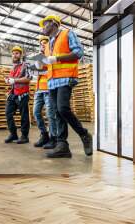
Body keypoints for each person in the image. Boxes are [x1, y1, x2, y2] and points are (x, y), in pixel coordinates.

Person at [34, 15, 93, 158]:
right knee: (56, 112)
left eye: (45, 24)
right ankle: (62, 146)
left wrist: (57, 58)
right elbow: (49, 65)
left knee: (62, 108)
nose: (43, 28)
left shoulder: (67, 33)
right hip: (52, 82)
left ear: (54, 23)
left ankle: (84, 134)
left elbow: (78, 52)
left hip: (66, 78)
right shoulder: (47, 45)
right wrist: (40, 64)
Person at [32, 35, 58, 148]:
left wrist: (40, 70)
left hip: (48, 88)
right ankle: (44, 135)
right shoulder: (40, 57)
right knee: (36, 112)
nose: (43, 44)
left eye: (45, 42)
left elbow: (50, 70)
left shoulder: (52, 55)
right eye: (41, 43)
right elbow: (36, 70)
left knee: (50, 114)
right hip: (38, 89)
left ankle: (54, 138)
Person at [4, 46, 32, 144]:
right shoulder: (13, 67)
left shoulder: (26, 65)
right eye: (13, 53)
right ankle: (13, 134)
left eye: (17, 53)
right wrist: (8, 80)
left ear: (21, 55)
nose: (15, 55)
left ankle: (24, 136)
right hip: (13, 94)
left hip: (22, 94)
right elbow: (13, 81)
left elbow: (28, 78)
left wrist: (14, 80)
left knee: (23, 116)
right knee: (8, 113)